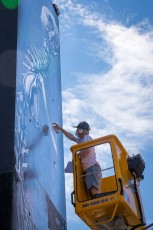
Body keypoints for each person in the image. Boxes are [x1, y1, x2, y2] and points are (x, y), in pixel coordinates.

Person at [53, 121, 102, 198]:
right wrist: (60, 128)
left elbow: (87, 151)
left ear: (84, 131)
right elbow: (71, 137)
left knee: (94, 190)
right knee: (92, 191)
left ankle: (100, 203)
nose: (78, 132)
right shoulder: (81, 140)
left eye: (79, 130)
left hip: (92, 167)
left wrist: (76, 155)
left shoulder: (87, 137)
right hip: (90, 168)